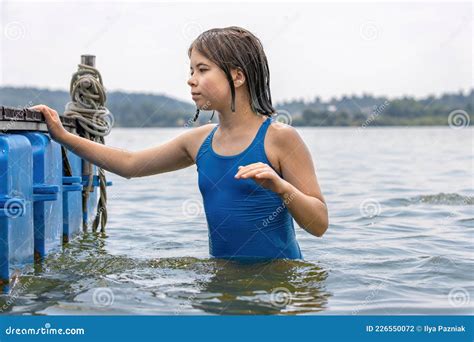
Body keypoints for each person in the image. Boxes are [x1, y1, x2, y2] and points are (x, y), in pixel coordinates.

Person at [31, 26, 328, 260]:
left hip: (279, 285)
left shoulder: (280, 138)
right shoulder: (199, 141)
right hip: (223, 283)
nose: (191, 79)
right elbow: (131, 165)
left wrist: (282, 187)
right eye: (190, 70)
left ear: (237, 76)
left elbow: (319, 224)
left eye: (202, 69)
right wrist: (64, 137)